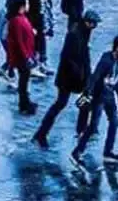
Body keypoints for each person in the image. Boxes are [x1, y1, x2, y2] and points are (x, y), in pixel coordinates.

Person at [33, 9, 101, 149]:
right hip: (68, 78)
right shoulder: (74, 34)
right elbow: (69, 58)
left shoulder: (83, 32)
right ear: (88, 22)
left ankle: (80, 131)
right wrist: (82, 75)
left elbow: (84, 56)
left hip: (77, 76)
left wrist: (88, 75)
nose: (95, 27)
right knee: (61, 104)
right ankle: (41, 134)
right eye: (93, 24)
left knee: (82, 103)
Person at [73, 34, 118, 167]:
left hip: (109, 97)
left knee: (114, 123)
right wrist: (87, 93)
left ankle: (108, 152)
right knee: (93, 126)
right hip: (99, 97)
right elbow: (95, 76)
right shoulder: (106, 60)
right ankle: (77, 151)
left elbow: (117, 81)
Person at [5, 0, 37, 115]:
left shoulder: (21, 18)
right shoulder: (17, 21)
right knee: (23, 81)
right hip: (22, 57)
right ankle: (24, 104)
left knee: (25, 80)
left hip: (25, 55)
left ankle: (25, 102)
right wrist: (26, 57)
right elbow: (19, 41)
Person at [27, 0, 55, 78]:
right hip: (35, 24)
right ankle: (35, 66)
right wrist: (32, 26)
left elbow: (46, 8)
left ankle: (42, 64)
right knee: (36, 45)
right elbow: (31, 12)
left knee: (42, 44)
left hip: (41, 23)